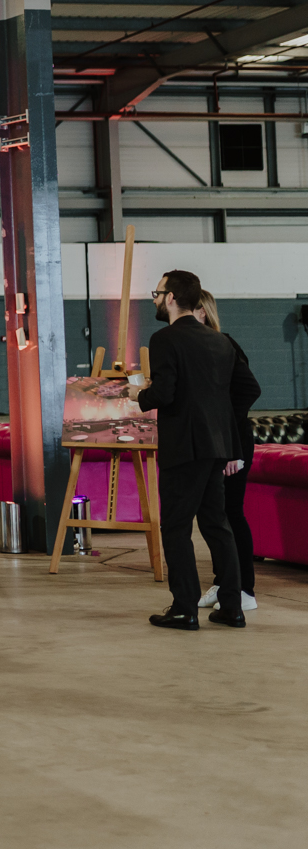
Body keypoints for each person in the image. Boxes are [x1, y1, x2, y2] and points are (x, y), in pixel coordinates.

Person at [135, 270, 258, 630]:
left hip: (184, 447)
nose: (155, 299)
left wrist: (139, 395)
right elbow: (237, 393)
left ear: (171, 297)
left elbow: (165, 393)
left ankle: (184, 608)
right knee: (217, 525)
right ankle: (232, 606)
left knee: (175, 527)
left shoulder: (164, 339)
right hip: (218, 446)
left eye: (157, 293)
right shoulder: (220, 342)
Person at [196, 293, 261, 614]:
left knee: (231, 513)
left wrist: (231, 445)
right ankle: (224, 582)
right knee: (215, 516)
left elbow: (249, 390)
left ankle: (244, 589)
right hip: (215, 442)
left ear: (201, 312)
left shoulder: (224, 344)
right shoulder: (199, 346)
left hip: (233, 444)